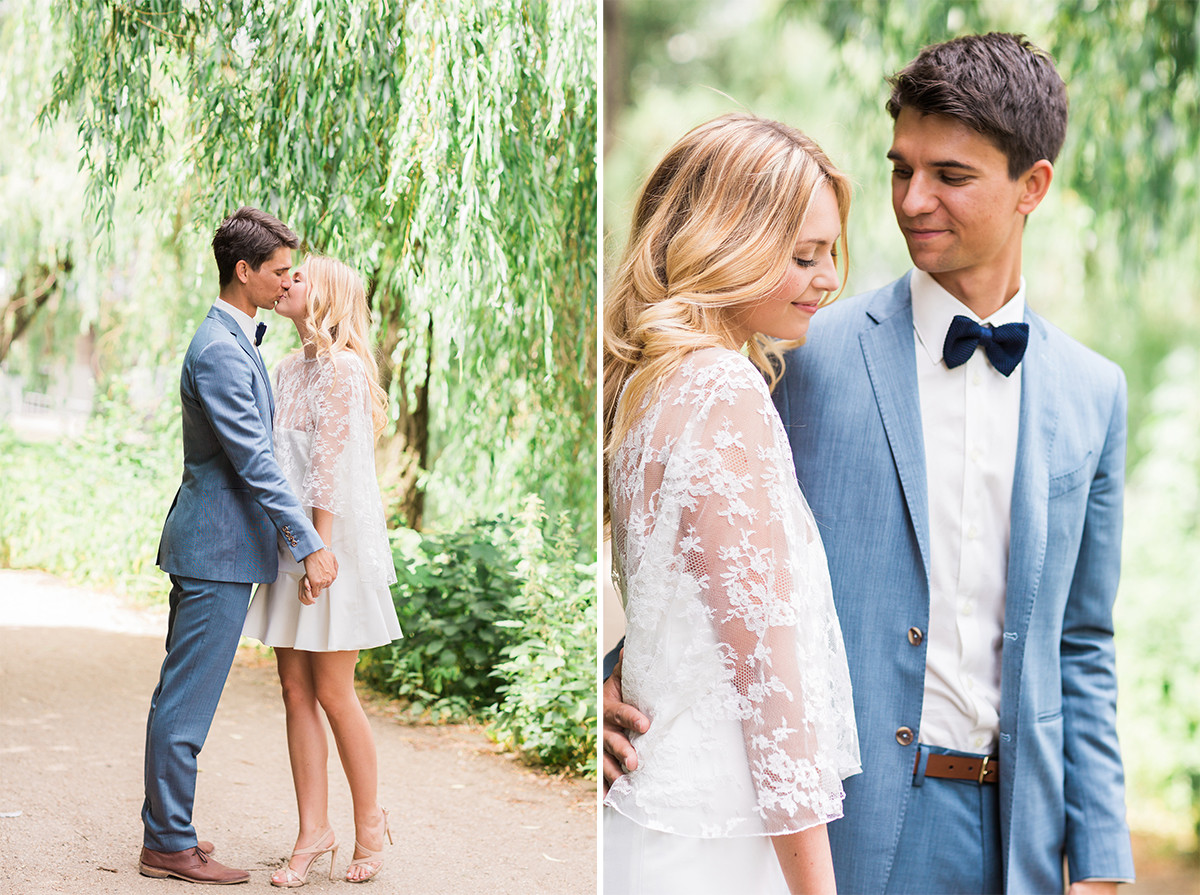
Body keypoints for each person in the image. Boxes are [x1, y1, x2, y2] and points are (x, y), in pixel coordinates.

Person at [605, 33, 1135, 894]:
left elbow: (1084, 643)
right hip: (843, 823)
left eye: (951, 176)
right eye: (901, 169)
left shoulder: (1094, 392)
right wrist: (617, 680)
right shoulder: (796, 353)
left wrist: (1101, 861)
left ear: (1032, 185)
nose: (914, 200)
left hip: (1017, 843)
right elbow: (714, 562)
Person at [602, 113, 861, 895]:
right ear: (729, 243)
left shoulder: (652, 385)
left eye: (829, 255)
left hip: (663, 822)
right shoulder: (723, 389)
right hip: (718, 841)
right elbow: (769, 683)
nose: (828, 280)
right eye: (804, 255)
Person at [142, 207, 338, 886]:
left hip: (217, 546)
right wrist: (310, 542)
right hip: (215, 548)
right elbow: (255, 463)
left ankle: (167, 831)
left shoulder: (233, 339)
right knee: (186, 701)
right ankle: (168, 841)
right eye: (280, 271)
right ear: (244, 271)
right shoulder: (222, 351)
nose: (290, 282)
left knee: (181, 694)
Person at [242, 254, 402, 886]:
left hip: (331, 542)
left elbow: (329, 470)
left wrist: (318, 553)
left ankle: (370, 825)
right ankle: (314, 830)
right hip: (292, 540)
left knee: (335, 690)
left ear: (328, 296)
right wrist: (291, 544)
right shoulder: (285, 369)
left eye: (298, 277)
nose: (285, 282)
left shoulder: (343, 372)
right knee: (293, 690)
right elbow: (277, 465)